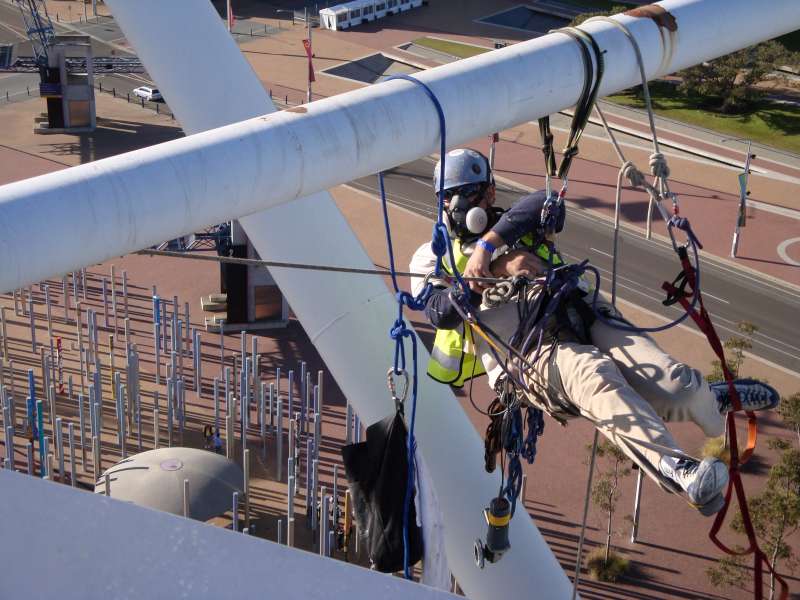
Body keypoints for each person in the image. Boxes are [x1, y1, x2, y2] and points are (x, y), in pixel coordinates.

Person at [409, 148, 779, 515]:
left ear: (489, 193)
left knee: (675, 385)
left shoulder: (516, 222)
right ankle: (678, 470)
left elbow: (545, 200)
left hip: (579, 310)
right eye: (448, 197)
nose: (457, 204)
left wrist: (488, 247)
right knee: (594, 374)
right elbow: (439, 311)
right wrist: (489, 273)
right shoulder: (430, 257)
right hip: (527, 351)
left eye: (468, 193)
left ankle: (710, 399)